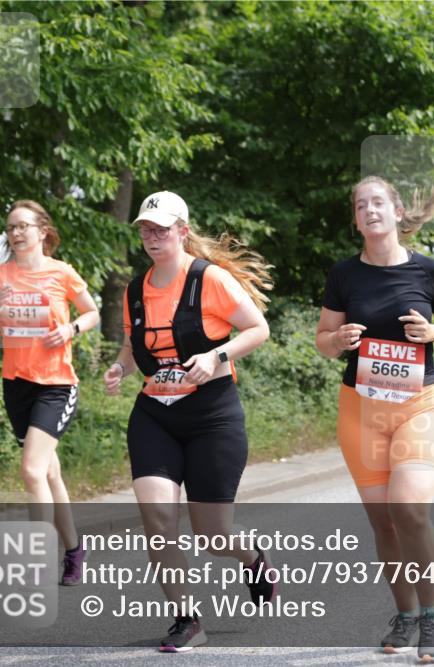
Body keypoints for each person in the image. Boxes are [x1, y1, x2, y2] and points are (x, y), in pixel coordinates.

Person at [103, 191, 275, 652]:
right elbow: (134, 346)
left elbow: (258, 329)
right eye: (145, 229)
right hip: (154, 415)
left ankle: (254, 559)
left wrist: (216, 355)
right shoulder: (135, 290)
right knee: (158, 520)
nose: (152, 236)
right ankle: (188, 620)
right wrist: (121, 367)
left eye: (161, 228)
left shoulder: (209, 279)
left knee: (214, 535)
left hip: (212, 416)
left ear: (182, 230)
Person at [315, 176, 434, 662]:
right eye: (361, 205)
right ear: (356, 219)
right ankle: (404, 615)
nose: (370, 210)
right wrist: (337, 343)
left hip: (418, 404)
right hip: (360, 410)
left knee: (410, 509)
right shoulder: (344, 274)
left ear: (398, 211)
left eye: (378, 202)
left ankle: (432, 615)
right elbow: (322, 338)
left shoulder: (429, 271)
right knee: (382, 522)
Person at [0, 199, 100, 585]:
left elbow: (92, 312)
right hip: (16, 386)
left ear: (42, 231)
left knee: (31, 470)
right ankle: (74, 551)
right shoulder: (0, 277)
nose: (15, 233)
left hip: (56, 385)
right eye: (10, 227)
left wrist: (70, 330)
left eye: (22, 226)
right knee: (49, 472)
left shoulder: (61, 273)